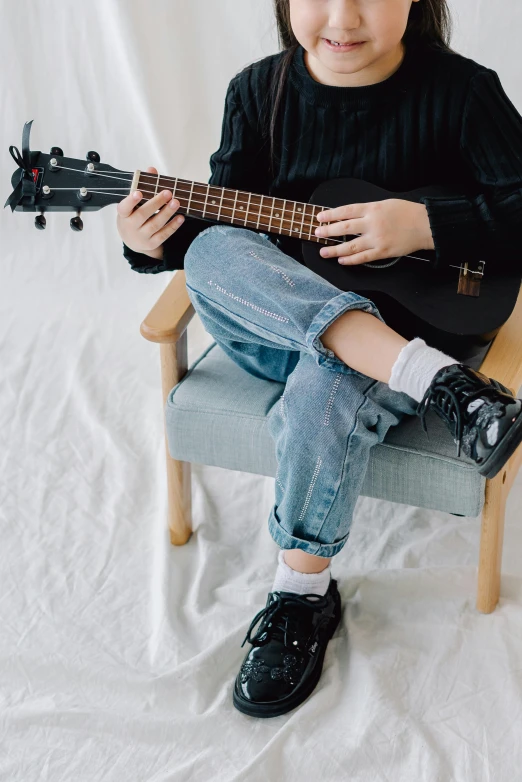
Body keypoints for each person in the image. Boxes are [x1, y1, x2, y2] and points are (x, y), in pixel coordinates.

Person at [117, 0, 522, 719]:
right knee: (214, 247)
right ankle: (440, 385)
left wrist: (425, 223)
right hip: (276, 330)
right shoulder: (255, 93)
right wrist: (152, 242)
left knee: (324, 388)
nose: (343, 14)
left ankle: (300, 594)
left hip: (408, 325)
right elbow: (223, 234)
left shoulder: (464, 93)